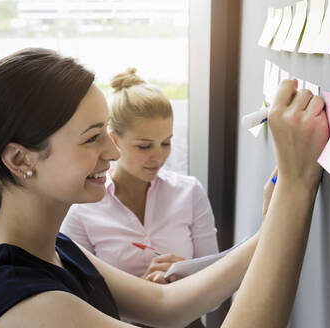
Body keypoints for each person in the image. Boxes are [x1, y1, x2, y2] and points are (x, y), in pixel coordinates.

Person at [0, 48, 329, 328]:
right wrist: (296, 186)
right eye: (92, 139)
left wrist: (271, 228)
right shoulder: (30, 309)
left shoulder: (50, 248)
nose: (113, 152)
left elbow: (166, 303)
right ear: (20, 161)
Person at [61, 68, 218, 288]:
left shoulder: (190, 192)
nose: (159, 156)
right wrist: (144, 292)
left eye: (166, 143)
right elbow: (81, 301)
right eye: (144, 146)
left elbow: (216, 295)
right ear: (113, 140)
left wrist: (188, 281)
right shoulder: (81, 210)